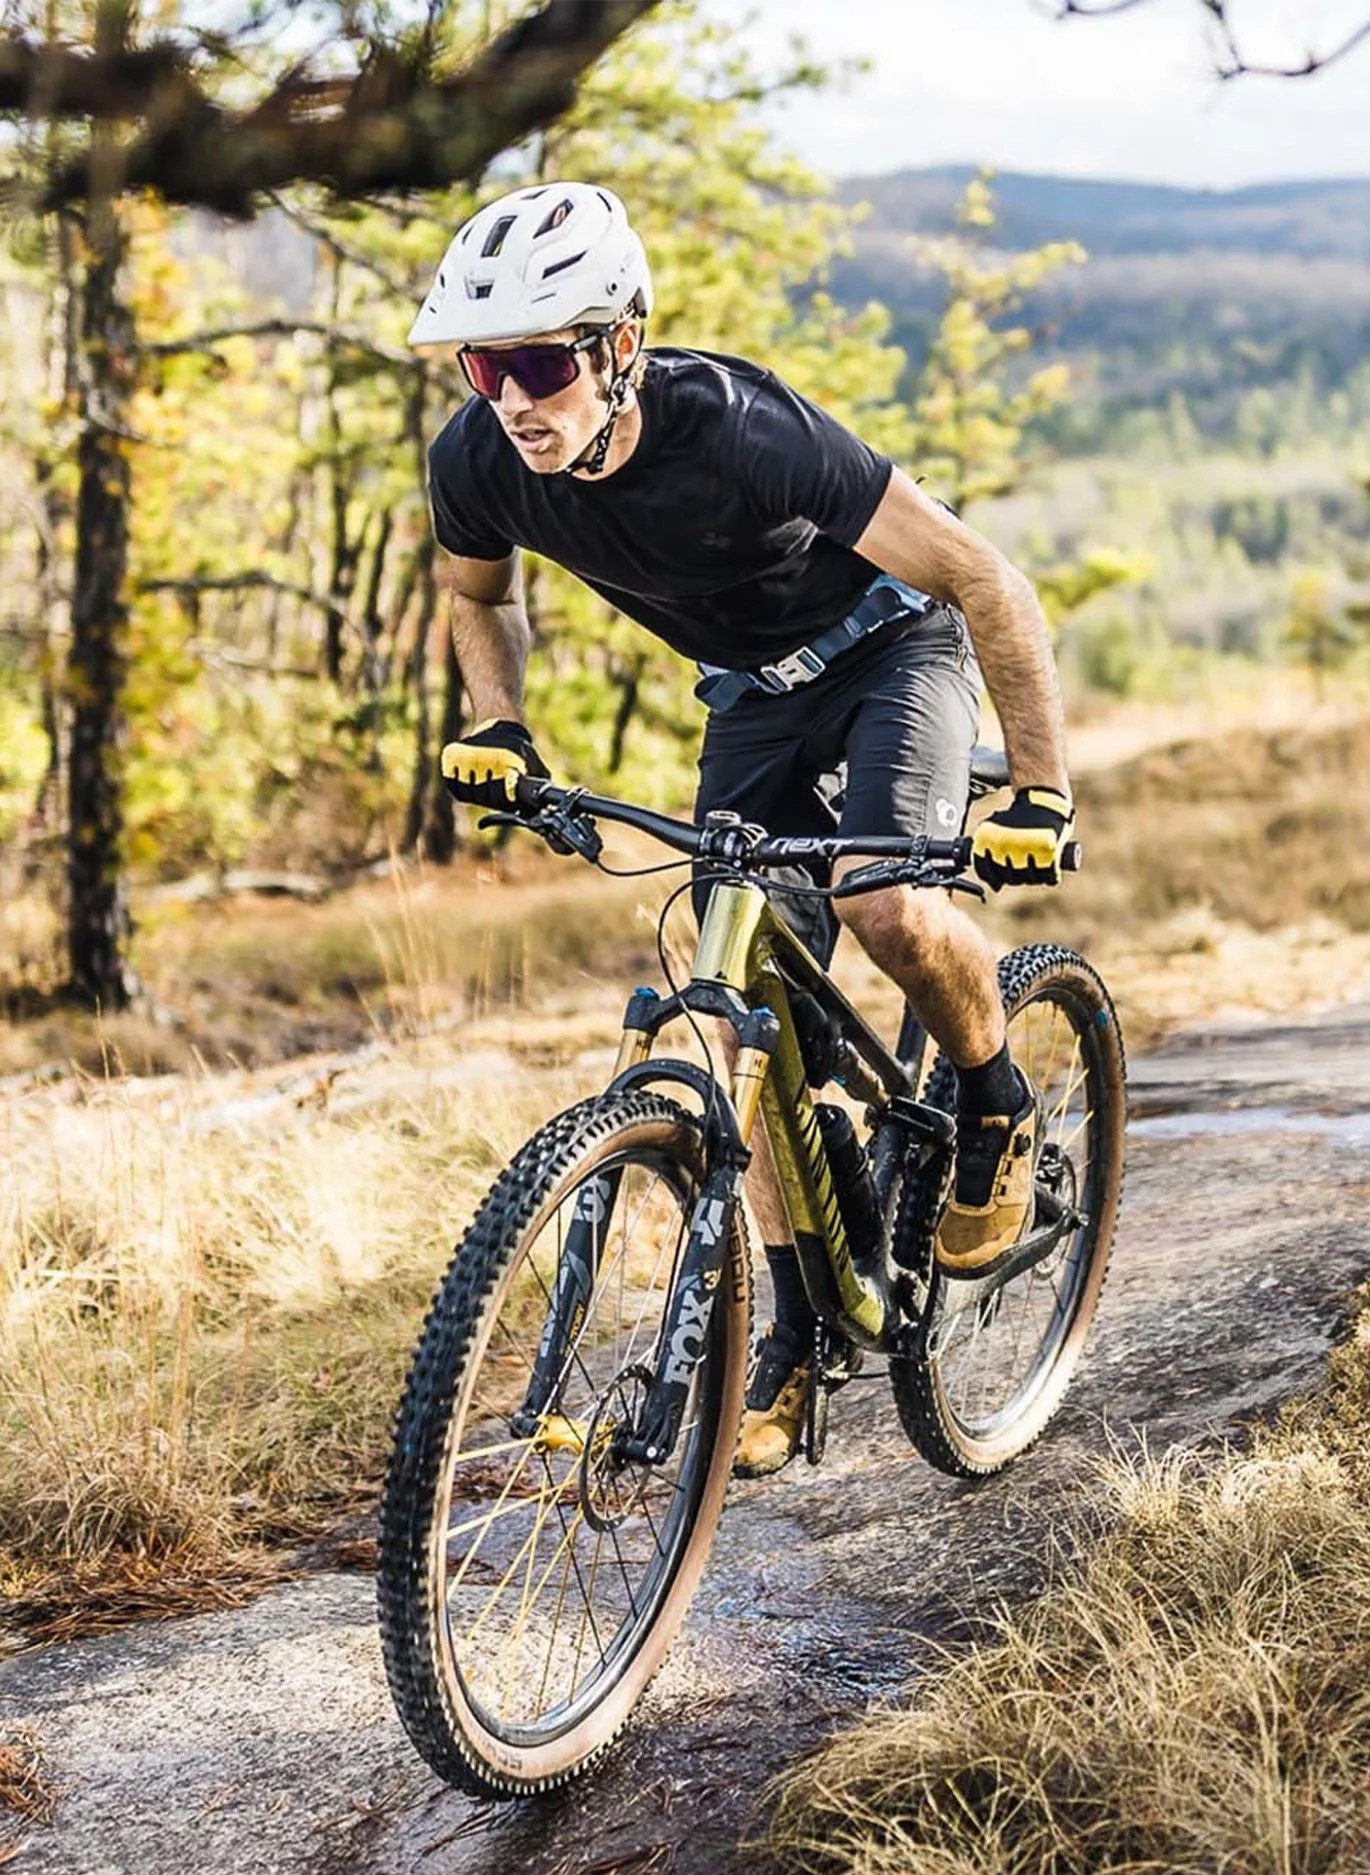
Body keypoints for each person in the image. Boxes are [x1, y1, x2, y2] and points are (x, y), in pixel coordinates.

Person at [409, 182, 1076, 1477]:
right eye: (486, 364)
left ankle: (995, 1109)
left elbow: (985, 578)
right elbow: (470, 596)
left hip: (894, 654)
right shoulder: (481, 461)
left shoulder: (744, 430)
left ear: (619, 346)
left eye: (540, 362)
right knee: (728, 1023)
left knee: (884, 903)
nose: (511, 396)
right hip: (752, 702)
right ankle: (799, 1333)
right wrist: (499, 725)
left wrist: (1042, 791)